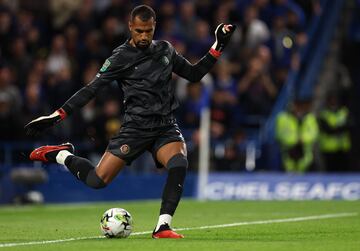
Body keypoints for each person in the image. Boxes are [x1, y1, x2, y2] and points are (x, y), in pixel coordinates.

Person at [24, 5, 235, 239]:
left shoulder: (165, 50)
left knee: (179, 164)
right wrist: (57, 115)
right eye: (139, 31)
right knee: (96, 180)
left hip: (165, 126)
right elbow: (91, 89)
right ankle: (61, 154)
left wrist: (219, 45)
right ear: (130, 28)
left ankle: (162, 226)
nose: (144, 36)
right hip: (134, 128)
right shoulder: (119, 57)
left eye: (148, 31)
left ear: (154, 27)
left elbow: (194, 74)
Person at [275, 97, 319, 172]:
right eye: (295, 104)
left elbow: (314, 133)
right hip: (288, 154)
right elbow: (280, 134)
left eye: (299, 105)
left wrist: (303, 139)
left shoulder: (309, 118)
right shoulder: (282, 118)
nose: (296, 108)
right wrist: (295, 140)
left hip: (306, 155)